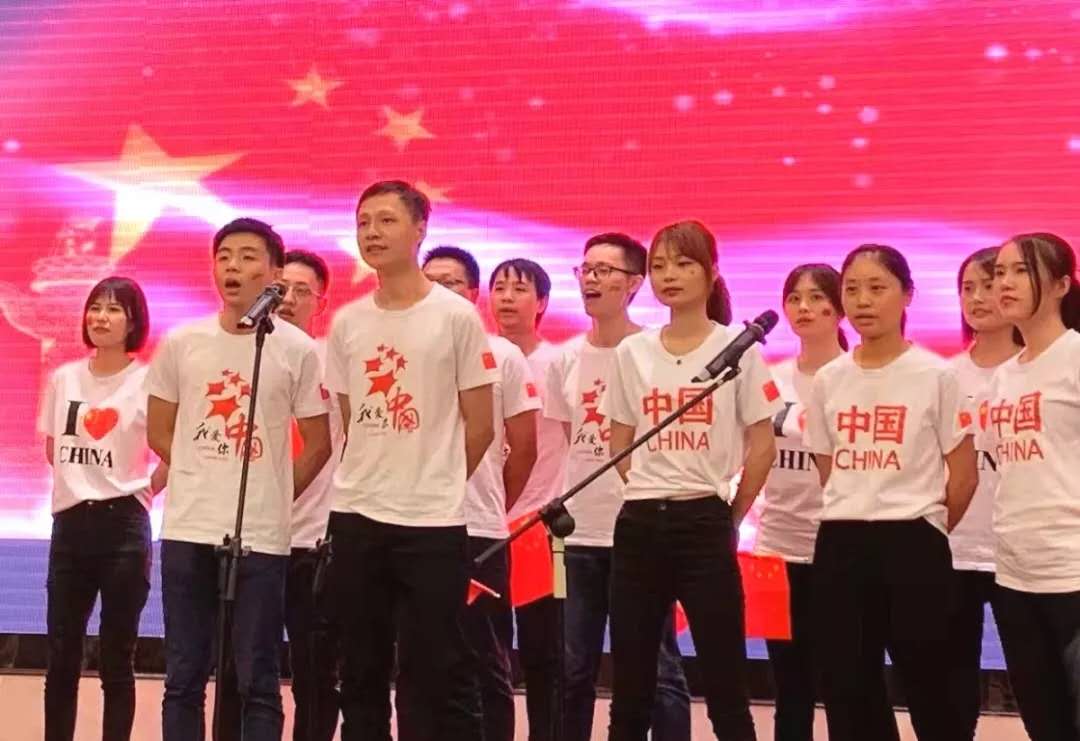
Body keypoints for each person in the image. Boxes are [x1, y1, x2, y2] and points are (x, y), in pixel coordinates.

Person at [146, 218, 332, 741]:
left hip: (262, 537)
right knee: (184, 677)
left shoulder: (295, 349)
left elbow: (318, 442)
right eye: (224, 256)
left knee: (258, 678)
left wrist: (276, 496)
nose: (233, 266)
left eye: (248, 257)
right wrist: (204, 472)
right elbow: (160, 429)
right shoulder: (183, 341)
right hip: (189, 527)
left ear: (273, 273)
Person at [324, 181, 496, 741]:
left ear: (420, 229)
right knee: (360, 670)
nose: (372, 233)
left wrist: (435, 479)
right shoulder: (348, 322)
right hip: (357, 515)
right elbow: (351, 418)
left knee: (435, 671)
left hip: (431, 522)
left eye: (386, 220)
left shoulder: (456, 317)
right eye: (363, 222)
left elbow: (481, 424)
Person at [600, 220, 781, 741]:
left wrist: (730, 514)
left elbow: (762, 445)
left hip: (704, 519)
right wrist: (650, 486)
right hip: (639, 524)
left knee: (726, 685)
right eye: (659, 266)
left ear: (711, 272)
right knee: (630, 687)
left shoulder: (738, 348)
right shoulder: (633, 352)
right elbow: (619, 440)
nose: (669, 275)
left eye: (683, 264)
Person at [804, 243, 978, 741]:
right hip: (841, 540)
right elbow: (827, 467)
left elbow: (964, 475)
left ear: (907, 295)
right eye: (852, 289)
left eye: (877, 288)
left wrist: (927, 526)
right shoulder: (829, 379)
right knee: (846, 683)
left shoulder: (937, 374)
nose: (863, 301)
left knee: (929, 681)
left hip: (913, 541)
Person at [543, 233, 691, 741]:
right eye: (585, 269)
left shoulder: (653, 354)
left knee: (658, 667)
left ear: (633, 284)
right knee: (573, 668)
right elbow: (573, 440)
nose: (591, 279)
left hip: (640, 530)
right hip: (578, 534)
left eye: (604, 271)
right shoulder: (564, 359)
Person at [422, 244, 540, 741]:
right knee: (419, 659)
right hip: (411, 528)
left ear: (473, 294)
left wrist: (491, 506)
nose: (439, 291)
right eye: (431, 281)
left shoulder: (504, 355)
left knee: (485, 658)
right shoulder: (405, 352)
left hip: (477, 530)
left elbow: (525, 449)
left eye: (451, 283)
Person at [38, 276, 165, 741]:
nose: (101, 317)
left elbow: (171, 451)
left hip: (123, 527)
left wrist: (140, 490)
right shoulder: (64, 377)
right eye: (95, 307)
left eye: (113, 309)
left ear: (133, 321)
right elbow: (53, 447)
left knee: (117, 657)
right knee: (61, 655)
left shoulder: (148, 380)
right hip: (71, 524)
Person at [986, 233, 1080, 741]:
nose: (1005, 283)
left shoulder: (1075, 357)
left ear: (1062, 284)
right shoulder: (1004, 376)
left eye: (1021, 270)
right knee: (1045, 723)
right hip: (1015, 573)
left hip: (1073, 570)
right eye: (1000, 272)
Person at [489, 257, 568, 740]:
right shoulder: (482, 359)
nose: (506, 297)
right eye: (499, 287)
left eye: (519, 289)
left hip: (541, 526)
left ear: (541, 303)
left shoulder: (557, 364)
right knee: (489, 652)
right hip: (488, 522)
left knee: (545, 653)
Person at [946, 247, 1021, 740]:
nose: (977, 298)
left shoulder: (1038, 369)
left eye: (989, 285)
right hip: (953, 546)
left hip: (1021, 550)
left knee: (1039, 680)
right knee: (950, 685)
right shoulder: (943, 375)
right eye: (967, 288)